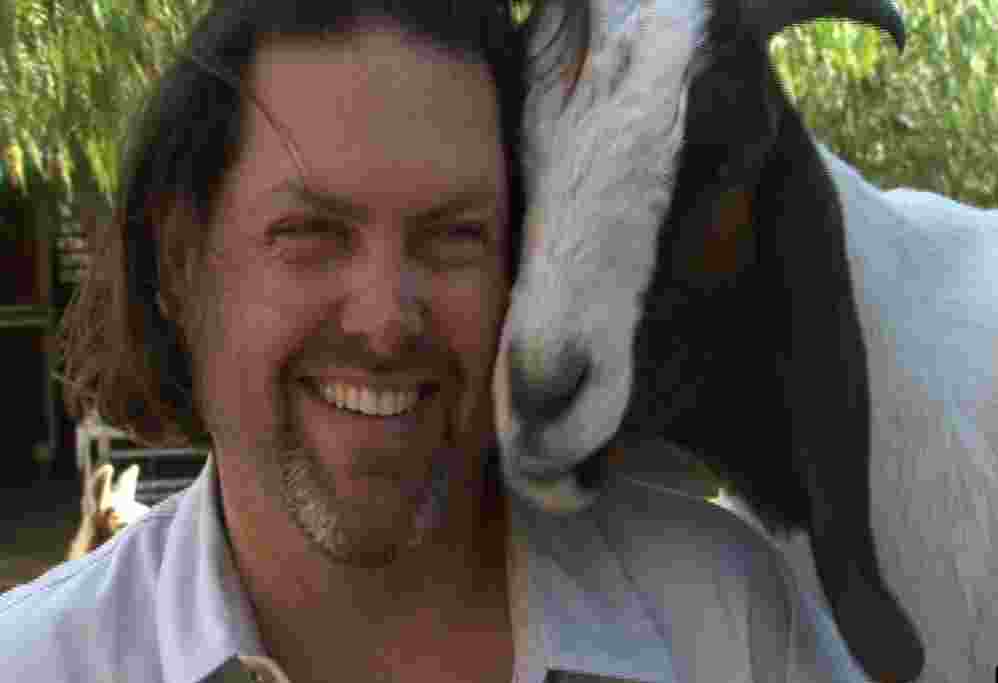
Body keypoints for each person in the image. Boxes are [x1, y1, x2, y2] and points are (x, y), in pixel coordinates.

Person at [0, 1, 876, 681]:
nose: (385, 320)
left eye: (454, 235)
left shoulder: (724, 626)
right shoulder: (37, 662)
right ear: (182, 268)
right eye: (311, 232)